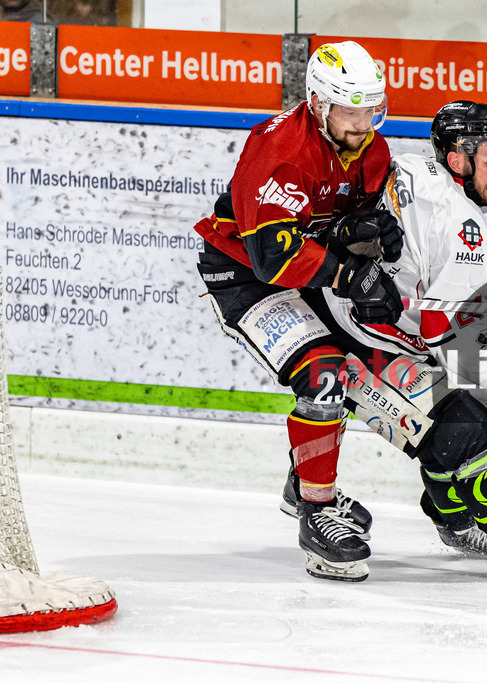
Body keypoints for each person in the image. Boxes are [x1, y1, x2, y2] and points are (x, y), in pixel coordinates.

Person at [321, 101, 487, 583]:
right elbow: (451, 341)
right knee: (464, 423)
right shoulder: (466, 233)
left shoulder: (400, 163)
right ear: (456, 157)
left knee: (448, 411)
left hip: (330, 313)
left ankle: (458, 523)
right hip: (356, 344)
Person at [193, 41, 406, 582]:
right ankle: (316, 509)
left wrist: (375, 233)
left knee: (360, 368)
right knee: (325, 377)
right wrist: (351, 272)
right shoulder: (280, 150)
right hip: (244, 275)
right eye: (349, 110)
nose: (362, 123)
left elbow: (348, 222)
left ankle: (301, 477)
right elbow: (273, 257)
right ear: (317, 103)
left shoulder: (373, 152)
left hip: (305, 271)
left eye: (371, 109)